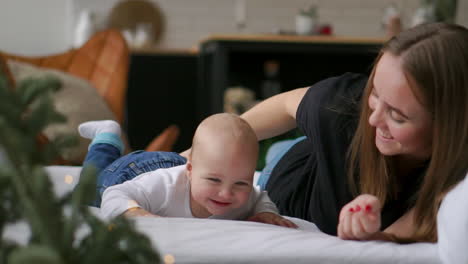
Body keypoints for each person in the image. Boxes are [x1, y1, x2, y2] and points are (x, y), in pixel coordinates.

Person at [237, 22, 468, 243]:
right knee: (282, 149)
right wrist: (214, 144)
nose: (373, 119)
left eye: (397, 116)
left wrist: (367, 234)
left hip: (330, 150)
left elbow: (391, 239)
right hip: (293, 170)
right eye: (375, 94)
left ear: (449, 127)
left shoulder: (458, 180)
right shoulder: (343, 105)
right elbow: (285, 105)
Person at [78, 114, 297, 228]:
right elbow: (115, 194)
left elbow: (261, 197)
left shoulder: (245, 194)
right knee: (89, 188)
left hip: (186, 164)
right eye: (214, 180)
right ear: (190, 170)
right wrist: (133, 212)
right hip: (133, 173)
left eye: (241, 183)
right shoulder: (163, 188)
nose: (226, 193)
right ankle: (106, 137)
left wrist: (267, 213)